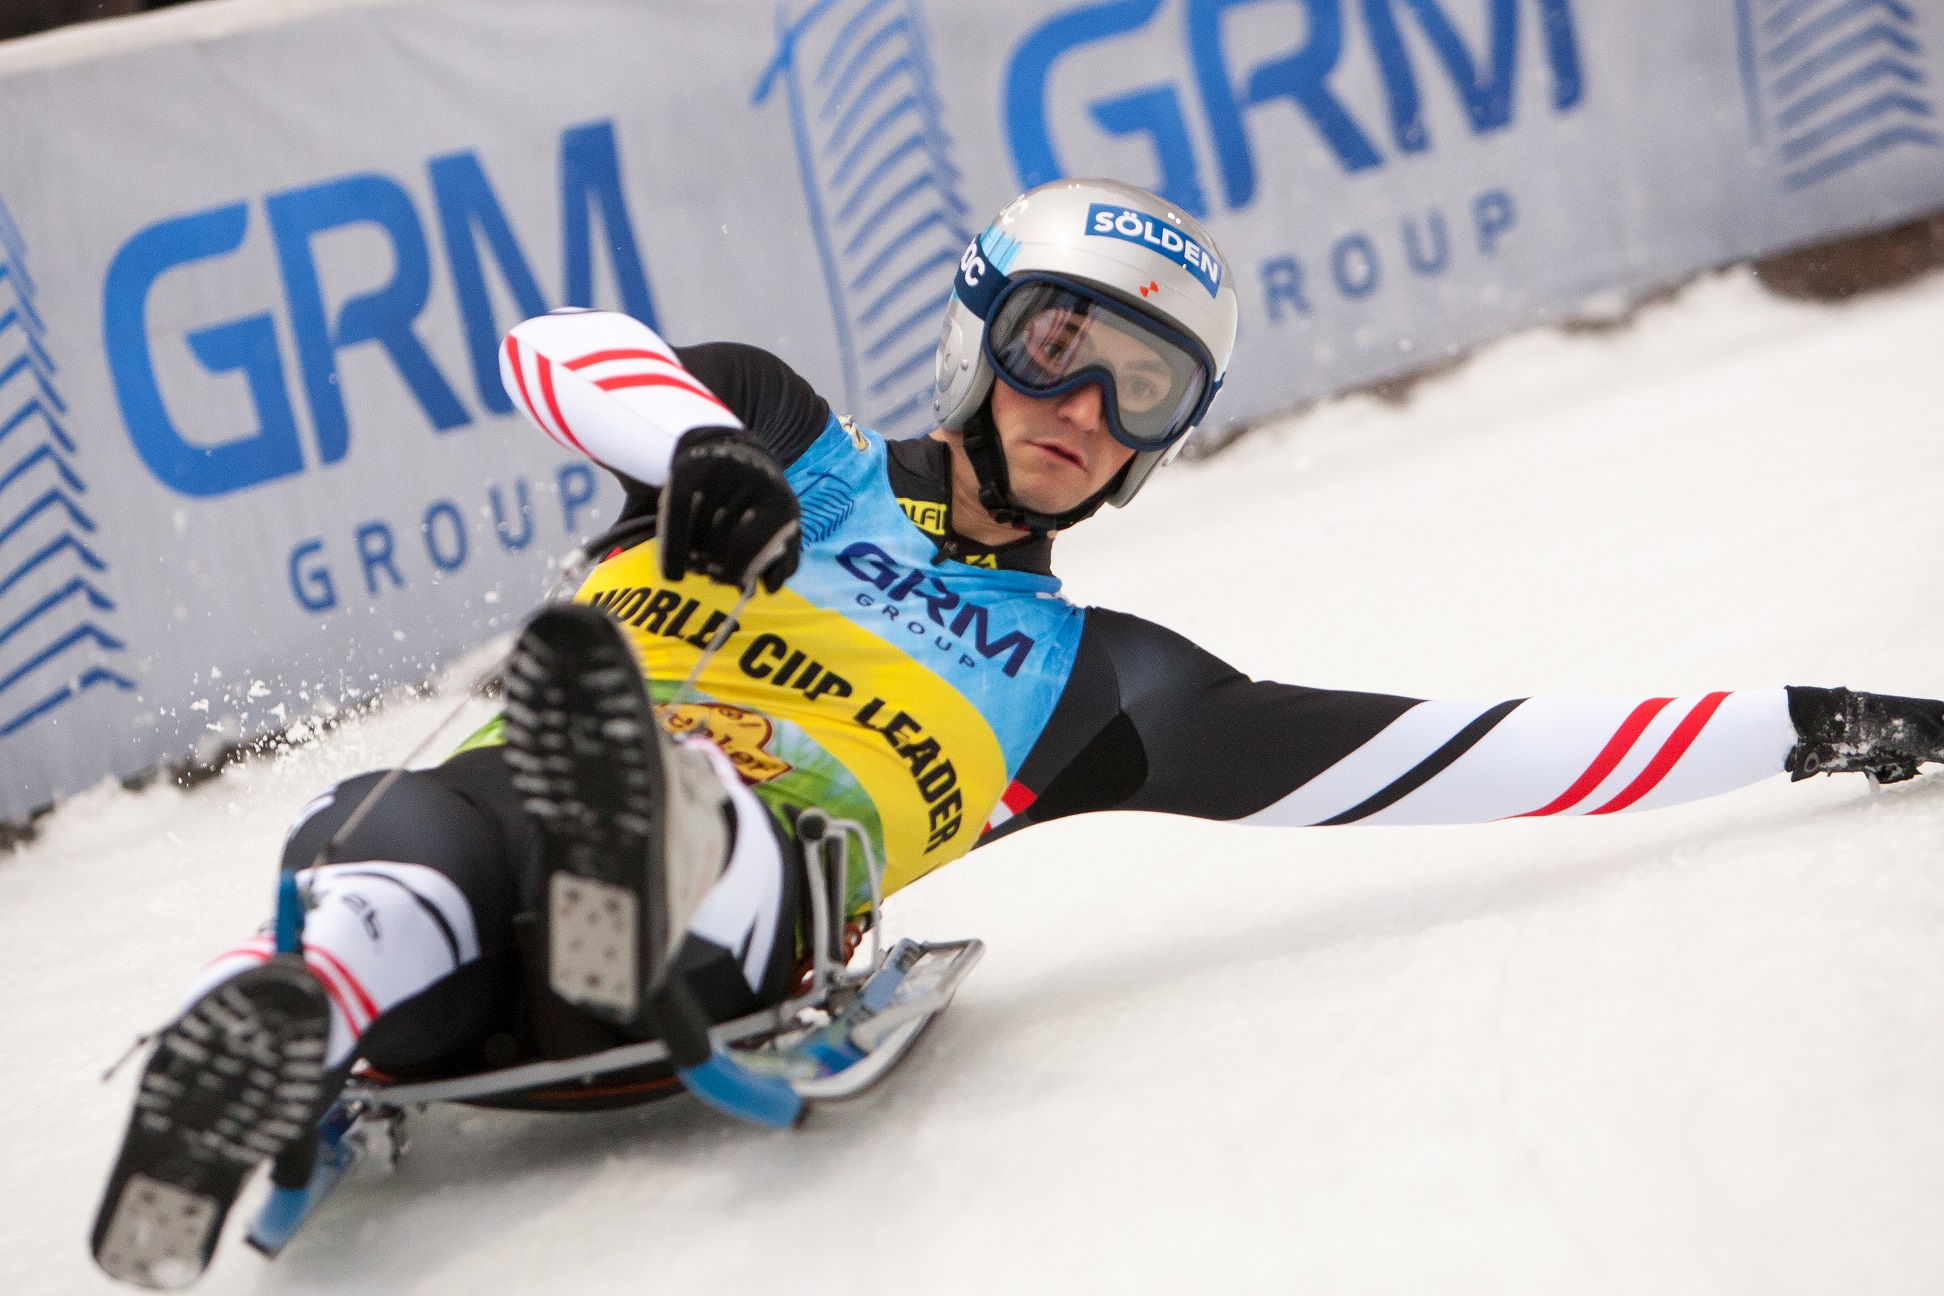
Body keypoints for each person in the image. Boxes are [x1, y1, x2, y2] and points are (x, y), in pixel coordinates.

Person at [91, 178, 1944, 1288]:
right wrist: (703, 464)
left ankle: (604, 881)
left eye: (1143, 390)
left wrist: (1810, 724)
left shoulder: (1106, 684)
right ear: (985, 336)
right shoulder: (783, 447)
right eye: (1063, 341)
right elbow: (565, 346)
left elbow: (1478, 748)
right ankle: (295, 1020)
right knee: (435, 817)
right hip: (529, 815)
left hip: (758, 893)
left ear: (1157, 448)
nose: (1085, 404)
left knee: (660, 799)